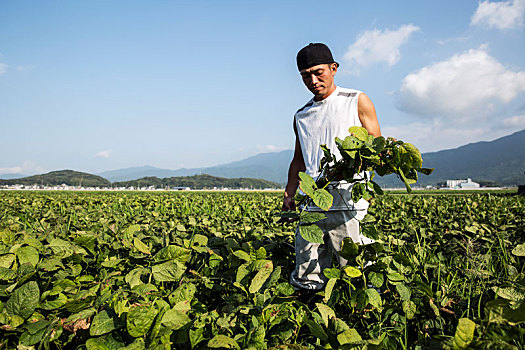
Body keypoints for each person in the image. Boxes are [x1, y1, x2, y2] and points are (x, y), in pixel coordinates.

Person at [282, 43, 381, 291]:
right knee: (307, 269)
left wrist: (347, 167)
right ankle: (309, 316)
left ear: (333, 68)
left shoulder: (356, 100)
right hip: (311, 202)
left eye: (318, 72)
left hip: (347, 200)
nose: (313, 80)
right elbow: (299, 159)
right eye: (306, 76)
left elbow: (376, 150)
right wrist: (289, 193)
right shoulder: (301, 115)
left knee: (357, 268)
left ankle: (363, 315)